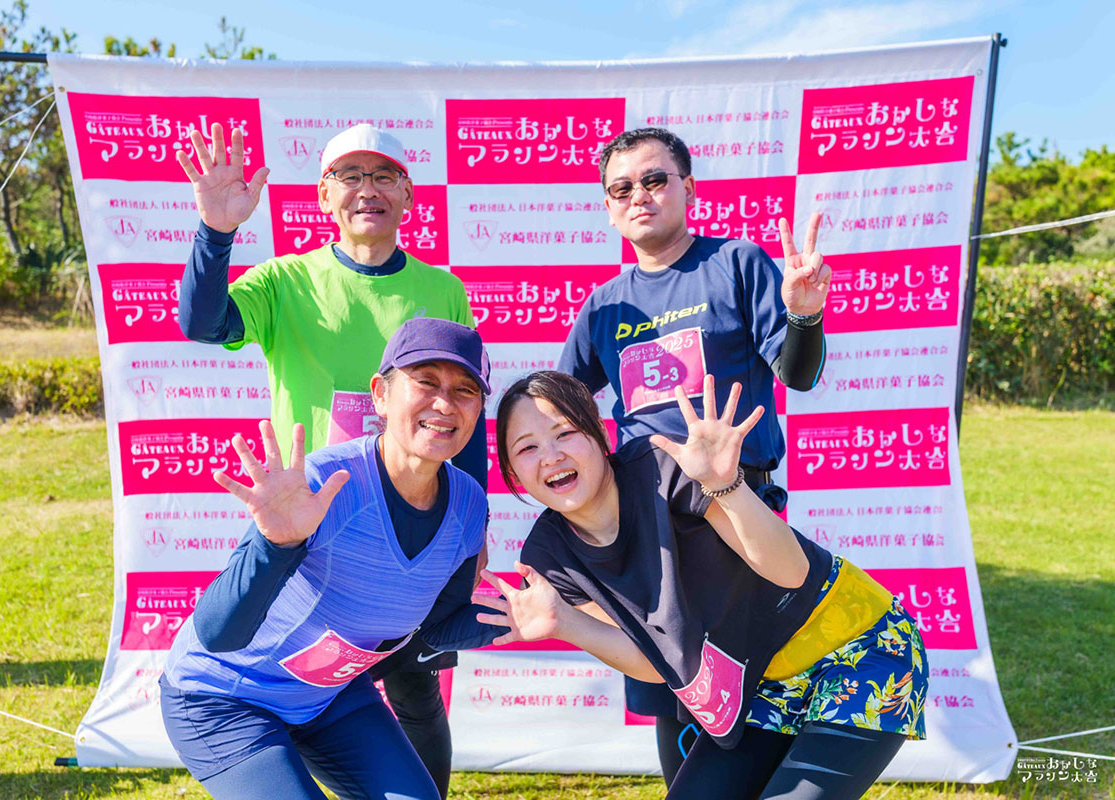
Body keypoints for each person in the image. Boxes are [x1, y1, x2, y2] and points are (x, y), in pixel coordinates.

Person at [175, 122, 485, 797]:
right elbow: (202, 324)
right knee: (274, 649)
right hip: (309, 522)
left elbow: (464, 408)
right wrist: (216, 233)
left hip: (410, 519)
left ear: (408, 195)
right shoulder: (285, 280)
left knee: (415, 680)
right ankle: (253, 750)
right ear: (323, 195)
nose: (367, 189)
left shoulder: (443, 288)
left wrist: (470, 528)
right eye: (350, 176)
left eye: (383, 176)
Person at [479, 371, 926, 800]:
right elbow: (655, 662)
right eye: (527, 447)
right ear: (513, 474)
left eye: (565, 433)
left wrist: (724, 485)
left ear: (600, 433)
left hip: (862, 646)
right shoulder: (549, 557)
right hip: (762, 682)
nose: (551, 456)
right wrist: (565, 623)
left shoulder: (661, 468)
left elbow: (792, 573)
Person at [557, 126, 831, 782]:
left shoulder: (736, 264)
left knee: (755, 688)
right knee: (673, 688)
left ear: (688, 189)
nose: (640, 196)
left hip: (737, 510)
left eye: (655, 179)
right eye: (622, 188)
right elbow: (561, 407)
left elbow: (798, 375)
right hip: (648, 526)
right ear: (608, 207)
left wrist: (803, 315)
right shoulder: (604, 306)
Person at [161, 318, 504, 800]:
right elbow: (220, 634)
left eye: (464, 390)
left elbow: (434, 630)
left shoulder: (468, 506)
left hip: (327, 697)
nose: (445, 403)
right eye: (426, 382)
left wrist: (517, 618)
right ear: (380, 395)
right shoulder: (325, 484)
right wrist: (275, 546)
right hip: (223, 697)